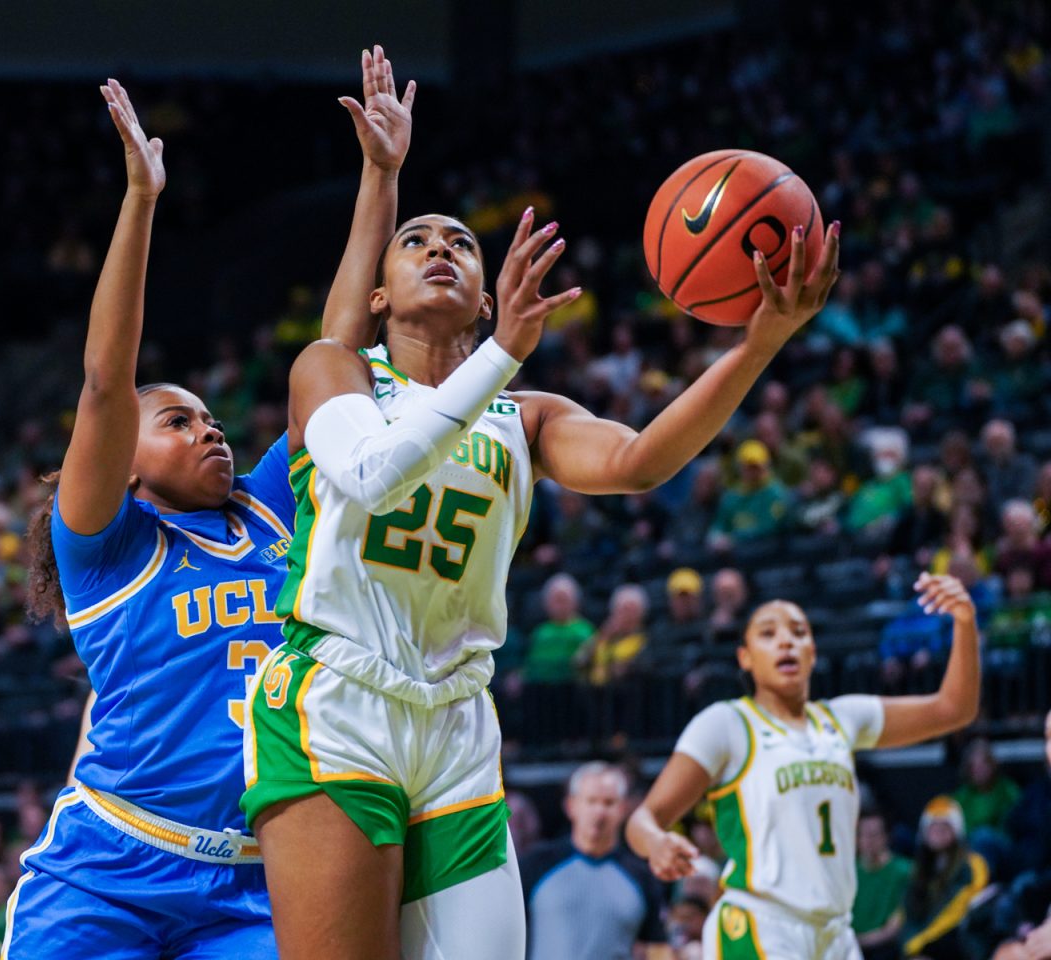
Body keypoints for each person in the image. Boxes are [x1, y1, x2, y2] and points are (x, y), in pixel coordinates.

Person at [240, 159, 840, 959]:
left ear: (488, 298)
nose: (439, 249)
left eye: (460, 243)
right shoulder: (334, 372)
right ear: (377, 296)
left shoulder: (524, 417)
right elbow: (372, 476)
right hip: (334, 703)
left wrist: (759, 345)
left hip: (457, 717)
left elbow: (639, 462)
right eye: (414, 242)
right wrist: (503, 351)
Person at [4, 49, 411, 959]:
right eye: (178, 422)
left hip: (251, 883)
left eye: (213, 418)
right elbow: (109, 382)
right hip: (107, 869)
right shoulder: (106, 543)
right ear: (129, 466)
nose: (210, 431)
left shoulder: (271, 505)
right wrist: (141, 201)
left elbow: (336, 350)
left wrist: (380, 176)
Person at [626, 576, 980, 960]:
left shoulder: (843, 719)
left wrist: (963, 621)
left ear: (812, 652)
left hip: (835, 932)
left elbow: (953, 709)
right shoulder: (727, 724)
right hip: (761, 924)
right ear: (745, 657)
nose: (785, 641)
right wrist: (657, 842)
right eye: (768, 633)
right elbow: (643, 818)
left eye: (798, 632)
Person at [520, 762, 669, 960]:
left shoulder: (642, 877)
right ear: (571, 805)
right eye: (591, 801)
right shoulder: (535, 865)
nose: (599, 812)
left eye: (608, 802)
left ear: (624, 808)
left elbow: (657, 948)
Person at [900, 796, 989, 959]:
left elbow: (960, 907)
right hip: (922, 945)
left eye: (945, 826)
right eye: (933, 825)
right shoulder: (919, 869)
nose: (938, 831)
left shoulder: (972, 863)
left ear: (957, 830)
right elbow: (908, 912)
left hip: (957, 943)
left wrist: (920, 942)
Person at [854, 809, 912, 960]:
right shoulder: (849, 872)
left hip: (886, 949)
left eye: (874, 834)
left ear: (886, 836)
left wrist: (859, 942)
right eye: (863, 834)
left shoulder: (905, 871)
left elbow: (896, 925)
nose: (869, 840)